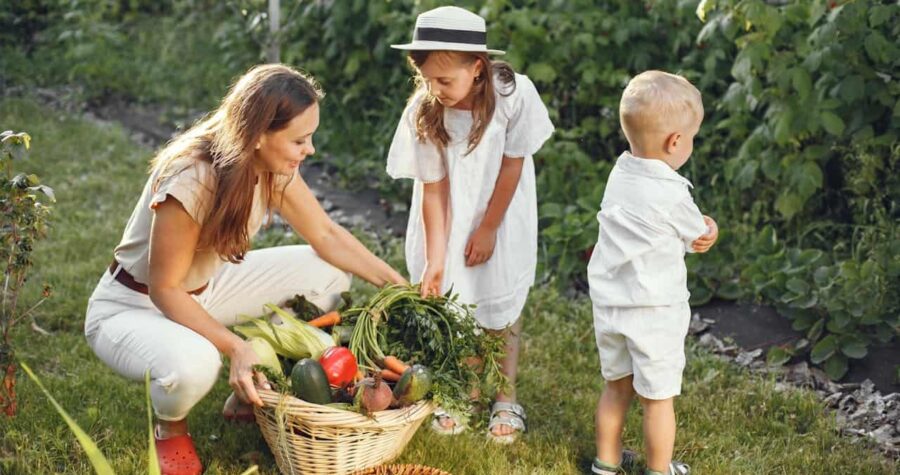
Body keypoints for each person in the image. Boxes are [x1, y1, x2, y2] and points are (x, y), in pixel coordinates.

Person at [83, 64, 406, 475]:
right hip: (134, 305)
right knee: (198, 364)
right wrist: (235, 347)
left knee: (326, 274)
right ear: (256, 136)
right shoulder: (192, 178)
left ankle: (256, 389)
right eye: (299, 140)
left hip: (203, 291)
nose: (309, 150)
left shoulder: (272, 167)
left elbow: (325, 235)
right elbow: (165, 288)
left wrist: (397, 283)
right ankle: (171, 427)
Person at [386, 6, 554, 444]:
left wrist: (489, 228)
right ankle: (467, 390)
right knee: (458, 302)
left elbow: (513, 166)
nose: (435, 90)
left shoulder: (513, 96)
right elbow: (434, 188)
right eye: (427, 80)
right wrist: (436, 259)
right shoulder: (425, 112)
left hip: (501, 212)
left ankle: (506, 395)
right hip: (448, 218)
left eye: (445, 81)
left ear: (477, 68)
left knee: (499, 300)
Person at [587, 70, 719, 475]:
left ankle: (606, 463)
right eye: (691, 136)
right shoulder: (673, 192)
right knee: (658, 399)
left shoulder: (621, 171)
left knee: (616, 387)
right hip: (654, 311)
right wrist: (711, 227)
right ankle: (659, 469)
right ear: (675, 141)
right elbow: (698, 235)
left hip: (611, 308)